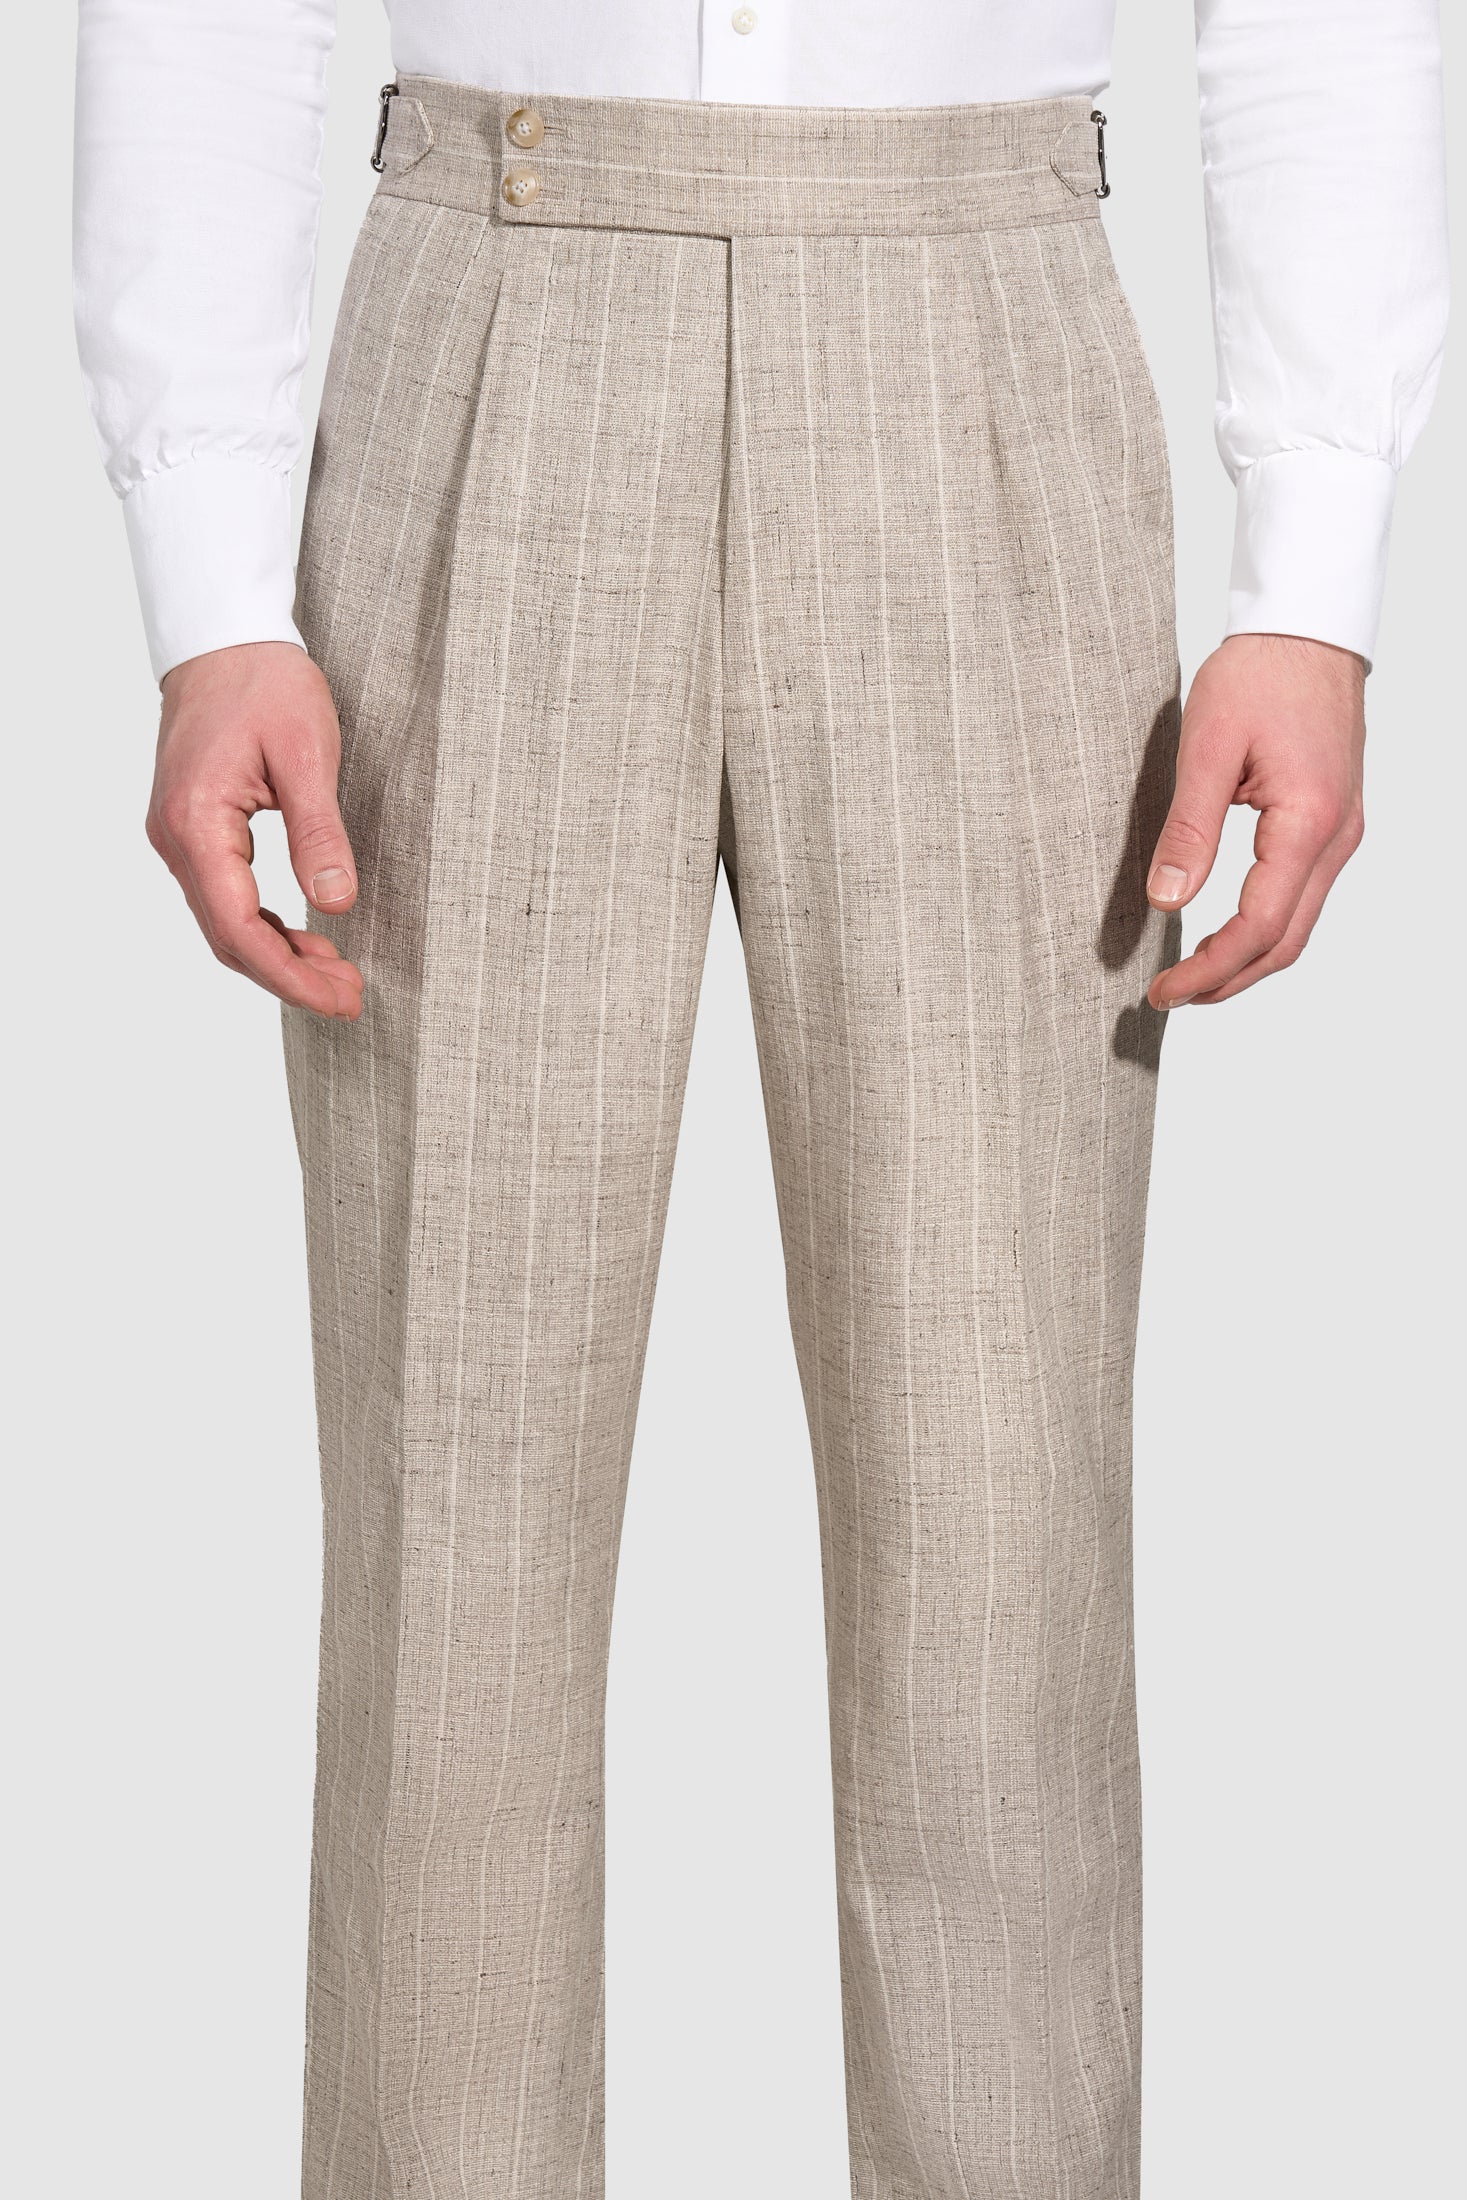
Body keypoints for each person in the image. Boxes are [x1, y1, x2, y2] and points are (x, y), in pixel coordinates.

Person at [73, 3, 1447, 2194]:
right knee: (453, 1542)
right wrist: (211, 582)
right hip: (492, 304)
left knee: (998, 1548)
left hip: (981, 329)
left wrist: (1316, 573)